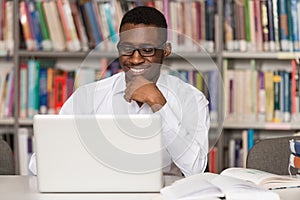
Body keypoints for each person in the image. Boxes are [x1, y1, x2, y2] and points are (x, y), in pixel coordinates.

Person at [30, 6, 210, 177]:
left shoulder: (191, 99)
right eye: (127, 49)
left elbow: (195, 169)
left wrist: (158, 103)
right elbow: (38, 164)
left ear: (166, 50)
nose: (136, 59)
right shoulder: (87, 97)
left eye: (147, 50)